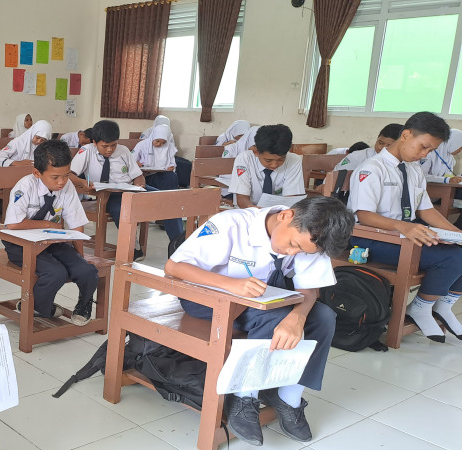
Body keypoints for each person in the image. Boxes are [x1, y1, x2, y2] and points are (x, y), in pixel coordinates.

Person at [166, 196, 352, 446]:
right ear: (286, 216)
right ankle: (244, 396)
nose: (292, 253)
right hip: (208, 297)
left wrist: (297, 318)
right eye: (292, 245)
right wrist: (230, 284)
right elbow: (174, 267)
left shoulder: (313, 237)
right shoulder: (231, 224)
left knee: (323, 317)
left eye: (299, 251)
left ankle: (289, 398)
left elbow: (309, 290)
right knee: (274, 315)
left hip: (262, 299)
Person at [348, 112, 462, 342]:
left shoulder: (413, 168)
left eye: (430, 150)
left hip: (404, 233)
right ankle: (421, 307)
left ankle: (443, 305)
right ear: (406, 135)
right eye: (423, 147)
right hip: (373, 238)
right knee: (451, 258)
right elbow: (364, 215)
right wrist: (403, 227)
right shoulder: (372, 168)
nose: (424, 154)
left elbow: (426, 210)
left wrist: (457, 233)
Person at [4, 140, 98, 323]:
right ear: (37, 173)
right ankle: (37, 306)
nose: (62, 182)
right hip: (21, 245)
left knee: (86, 270)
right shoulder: (25, 186)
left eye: (66, 175)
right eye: (55, 177)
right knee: (56, 273)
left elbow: (77, 224)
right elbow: (13, 224)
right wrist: (47, 224)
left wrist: (79, 257)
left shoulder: (67, 186)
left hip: (52, 242)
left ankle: (84, 303)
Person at [70, 120, 185, 261]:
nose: (109, 150)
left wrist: (139, 184)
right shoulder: (86, 151)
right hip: (108, 194)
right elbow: (69, 174)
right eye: (105, 146)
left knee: (168, 201)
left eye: (113, 145)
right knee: (121, 209)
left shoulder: (123, 150)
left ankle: (179, 247)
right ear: (94, 142)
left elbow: (138, 175)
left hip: (131, 189)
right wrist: (82, 182)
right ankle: (133, 247)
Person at [229, 124, 304, 208]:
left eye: (281, 159)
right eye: (268, 160)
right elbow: (241, 198)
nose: (274, 165)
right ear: (256, 152)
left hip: (279, 212)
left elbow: (290, 199)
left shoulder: (294, 160)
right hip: (248, 210)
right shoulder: (245, 159)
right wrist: (255, 210)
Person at [334, 123, 403, 172]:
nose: (382, 148)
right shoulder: (357, 157)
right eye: (380, 143)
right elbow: (334, 177)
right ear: (377, 138)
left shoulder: (405, 160)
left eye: (389, 145)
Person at [132, 124, 178, 191]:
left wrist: (171, 167)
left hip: (162, 174)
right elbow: (131, 160)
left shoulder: (169, 147)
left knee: (172, 176)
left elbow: (172, 163)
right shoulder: (142, 145)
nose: (160, 144)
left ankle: (168, 196)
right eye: (157, 141)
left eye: (163, 142)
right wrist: (136, 163)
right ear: (153, 136)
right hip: (146, 175)